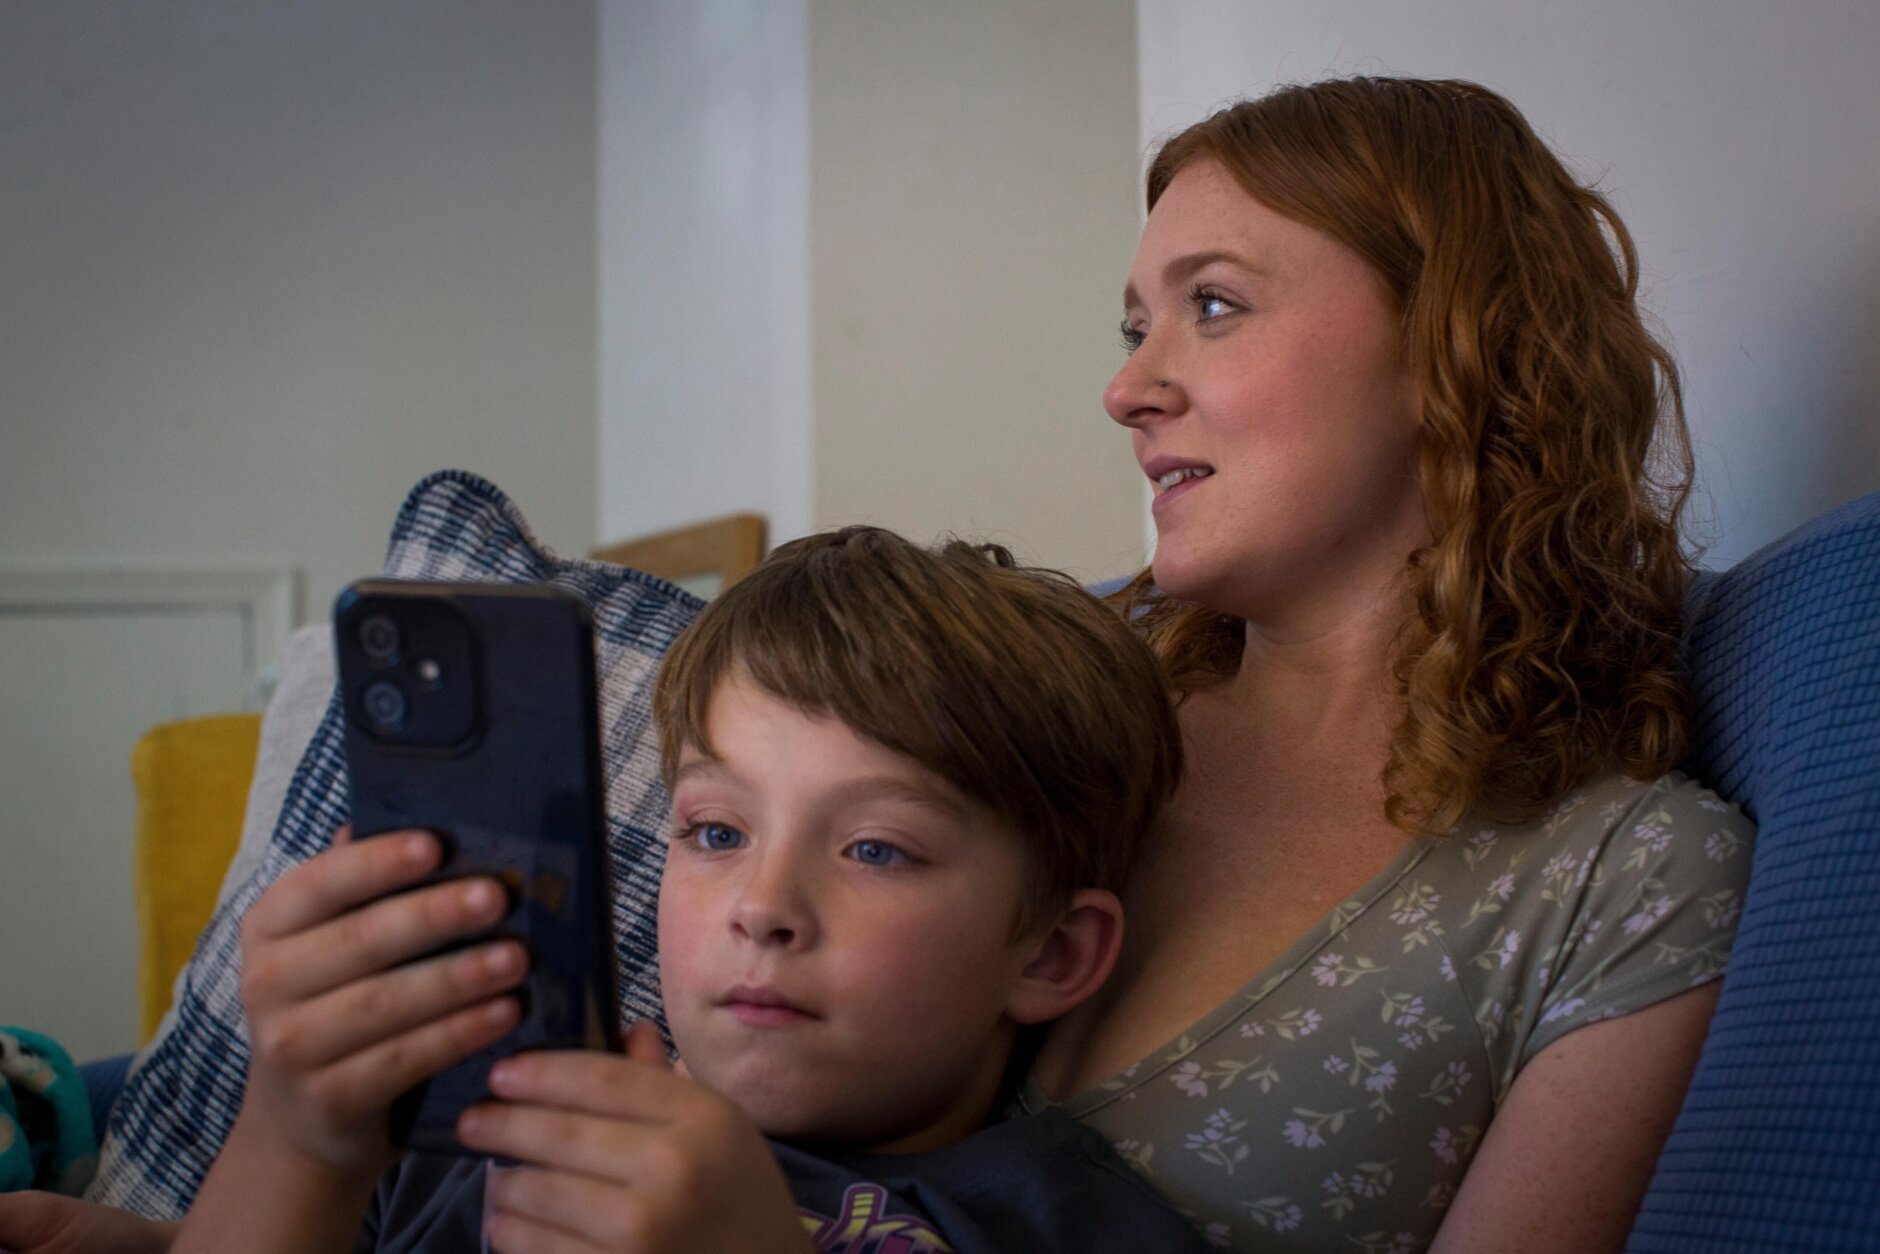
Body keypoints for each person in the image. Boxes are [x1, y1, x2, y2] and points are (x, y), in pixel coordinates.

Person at [1018, 76, 1754, 1252]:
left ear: (1449, 346)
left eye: (1211, 304)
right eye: (1133, 327)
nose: (1126, 392)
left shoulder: (1621, 884)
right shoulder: (1039, 712)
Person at [167, 526, 1207, 1252]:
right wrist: (295, 1144)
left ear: (1050, 953)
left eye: (876, 850)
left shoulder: (1067, 1223)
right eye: (716, 832)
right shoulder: (479, 1128)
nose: (763, 907)